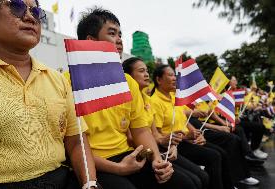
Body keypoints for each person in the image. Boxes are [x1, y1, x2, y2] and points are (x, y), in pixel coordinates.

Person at [0, 0, 97, 188]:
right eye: (17, 6)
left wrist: (90, 183)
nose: (30, 17)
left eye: (36, 12)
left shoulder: (57, 79)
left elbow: (76, 141)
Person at [76, 8, 184, 189]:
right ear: (91, 41)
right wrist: (119, 168)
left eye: (120, 34)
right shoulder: (68, 83)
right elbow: (75, 146)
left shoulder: (128, 82)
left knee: (187, 182)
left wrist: (156, 159)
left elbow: (141, 130)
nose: (119, 40)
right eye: (112, 33)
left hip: (128, 154)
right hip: (94, 162)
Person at [122, 57, 209, 189]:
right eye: (141, 71)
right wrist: (158, 153)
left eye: (147, 71)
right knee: (190, 183)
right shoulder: (129, 100)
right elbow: (132, 138)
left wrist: (169, 144)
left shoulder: (147, 100)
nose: (146, 74)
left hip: (157, 149)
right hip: (141, 153)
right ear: (127, 76)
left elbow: (155, 135)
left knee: (200, 178)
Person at [151, 65, 235, 189]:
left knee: (221, 153)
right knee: (213, 158)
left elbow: (184, 120)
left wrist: (196, 133)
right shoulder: (155, 102)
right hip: (174, 145)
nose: (175, 78)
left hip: (187, 139)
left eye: (175, 75)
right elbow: (158, 136)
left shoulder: (174, 98)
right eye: (170, 75)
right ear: (159, 80)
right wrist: (186, 137)